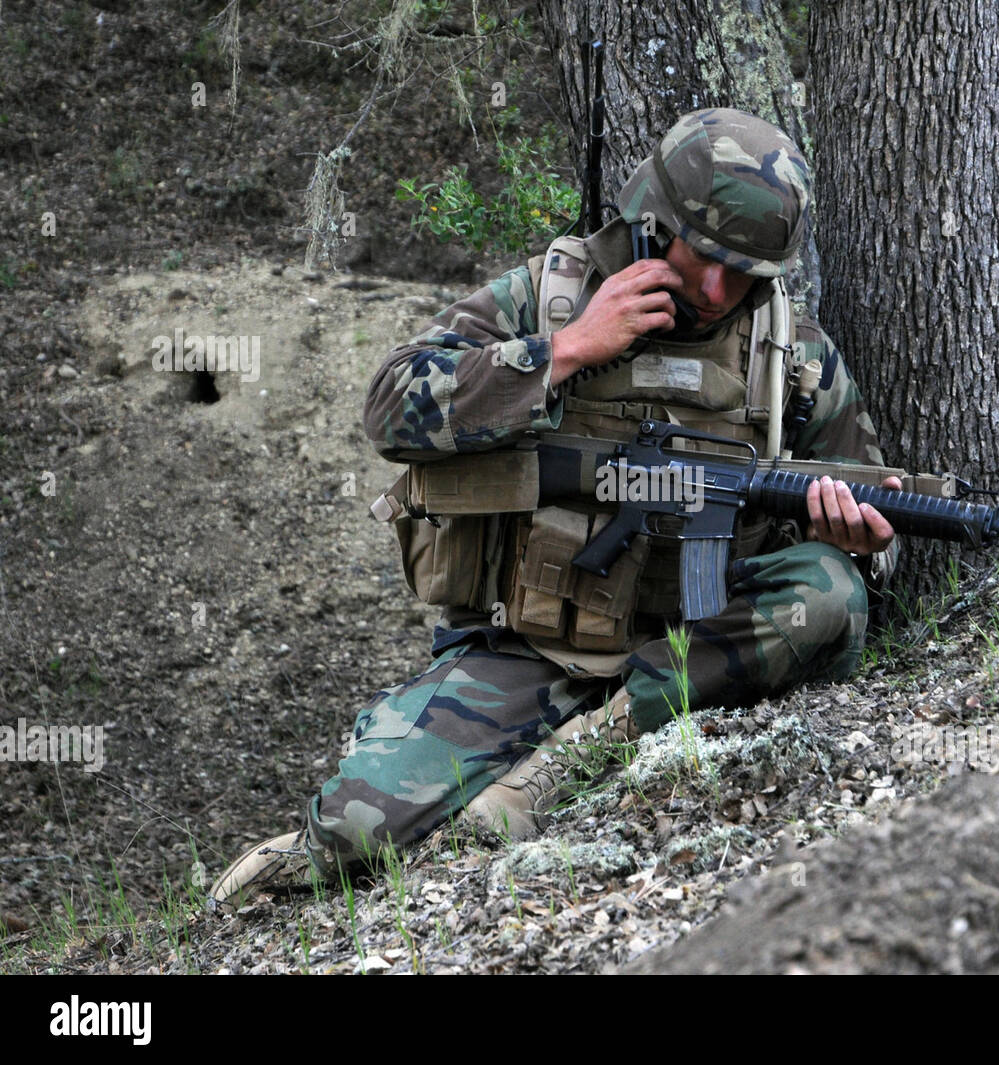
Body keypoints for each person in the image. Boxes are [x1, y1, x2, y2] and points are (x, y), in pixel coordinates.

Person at [209, 108, 901, 906]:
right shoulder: (553, 295)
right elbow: (390, 406)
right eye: (702, 254)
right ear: (657, 218)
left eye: (742, 269)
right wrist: (563, 353)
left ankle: (565, 768)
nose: (716, 288)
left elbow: (876, 504)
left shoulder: (791, 353)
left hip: (694, 654)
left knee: (827, 592)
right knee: (354, 833)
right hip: (527, 652)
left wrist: (857, 538)